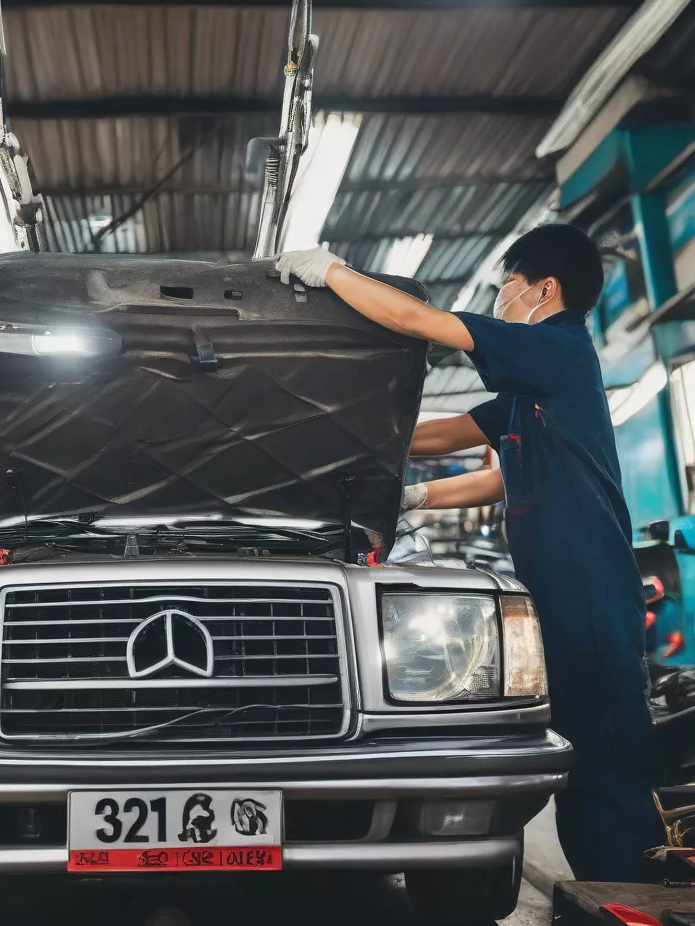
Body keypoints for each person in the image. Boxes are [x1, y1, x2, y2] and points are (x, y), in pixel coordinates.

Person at [277, 225, 662, 883]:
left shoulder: (556, 349)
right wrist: (385, 470)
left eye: (506, 286)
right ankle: (608, 888)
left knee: (605, 770)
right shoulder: (532, 391)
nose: (501, 298)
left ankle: (632, 893)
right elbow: (453, 445)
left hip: (591, 594)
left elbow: (420, 320)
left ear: (545, 289)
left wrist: (333, 272)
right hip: (566, 596)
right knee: (585, 766)